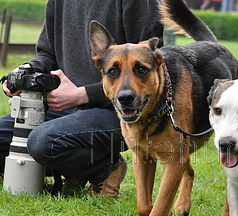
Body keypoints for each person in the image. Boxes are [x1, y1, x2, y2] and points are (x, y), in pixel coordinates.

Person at [1, 0, 164, 197]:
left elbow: (152, 66)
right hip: (62, 109)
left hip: (119, 111)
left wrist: (82, 95)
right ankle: (74, 167)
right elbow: (47, 53)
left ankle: (106, 168)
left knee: (42, 142)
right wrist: (28, 69)